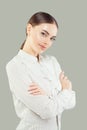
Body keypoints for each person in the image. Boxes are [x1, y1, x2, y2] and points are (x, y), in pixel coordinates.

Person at [6, 12, 76, 130]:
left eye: (52, 38)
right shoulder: (15, 66)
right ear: (29, 29)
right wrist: (64, 91)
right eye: (43, 34)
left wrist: (48, 96)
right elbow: (46, 110)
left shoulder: (52, 61)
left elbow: (72, 101)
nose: (47, 42)